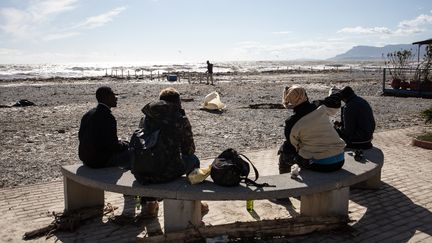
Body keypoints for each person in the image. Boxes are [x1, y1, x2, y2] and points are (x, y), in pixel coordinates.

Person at [133, 87, 208, 216]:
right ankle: (194, 202)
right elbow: (189, 150)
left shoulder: (147, 117)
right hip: (166, 172)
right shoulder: (180, 118)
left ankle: (150, 204)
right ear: (177, 102)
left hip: (142, 171)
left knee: (153, 159)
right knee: (194, 160)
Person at [278, 85, 346, 174]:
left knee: (285, 150)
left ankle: (285, 182)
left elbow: (293, 145)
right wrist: (336, 92)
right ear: (305, 95)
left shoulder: (291, 122)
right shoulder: (319, 106)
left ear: (290, 101)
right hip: (340, 159)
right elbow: (335, 101)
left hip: (321, 164)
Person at [78, 86, 130, 169]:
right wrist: (125, 144)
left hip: (85, 158)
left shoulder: (88, 114)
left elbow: (81, 136)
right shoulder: (108, 117)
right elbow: (113, 146)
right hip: (99, 161)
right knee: (133, 152)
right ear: (107, 98)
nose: (116, 99)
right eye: (113, 96)